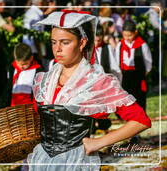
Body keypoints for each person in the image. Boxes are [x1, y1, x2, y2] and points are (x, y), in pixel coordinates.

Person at [27, 10, 151, 170]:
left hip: (75, 161)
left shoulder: (95, 82)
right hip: (43, 160)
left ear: (82, 42)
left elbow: (141, 120)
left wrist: (98, 142)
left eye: (65, 42)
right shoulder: (45, 80)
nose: (57, 49)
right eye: (53, 42)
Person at [115, 20, 152, 110]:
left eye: (129, 35)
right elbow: (117, 60)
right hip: (125, 75)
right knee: (127, 98)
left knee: (139, 98)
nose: (127, 38)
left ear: (135, 32)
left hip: (138, 75)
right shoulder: (120, 45)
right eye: (125, 35)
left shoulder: (142, 45)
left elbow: (148, 62)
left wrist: (144, 73)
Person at [0, 43, 42, 108]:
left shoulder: (37, 70)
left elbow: (38, 91)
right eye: (18, 63)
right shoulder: (12, 68)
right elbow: (8, 87)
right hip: (14, 105)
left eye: (25, 64)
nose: (21, 67)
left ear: (31, 58)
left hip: (29, 106)